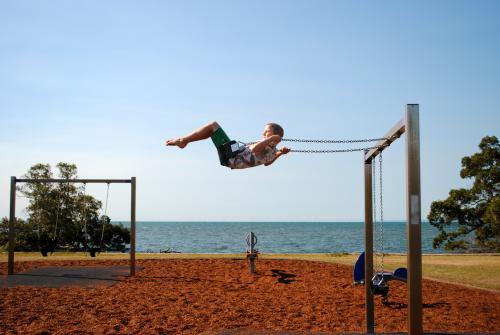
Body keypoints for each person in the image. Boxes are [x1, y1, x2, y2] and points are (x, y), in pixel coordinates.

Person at [166, 122, 290, 169]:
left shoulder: (268, 146)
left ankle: (183, 141)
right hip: (233, 157)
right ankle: (184, 141)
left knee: (213, 126)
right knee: (211, 131)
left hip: (234, 157)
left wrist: (272, 139)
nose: (263, 134)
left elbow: (256, 150)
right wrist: (280, 153)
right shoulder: (273, 150)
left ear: (275, 135)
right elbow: (267, 163)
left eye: (267, 132)